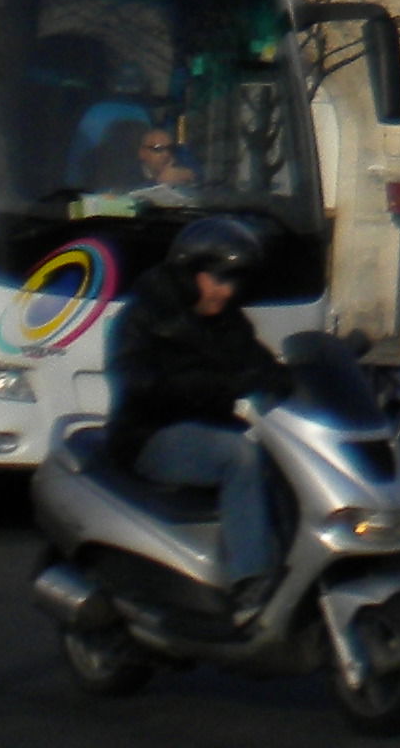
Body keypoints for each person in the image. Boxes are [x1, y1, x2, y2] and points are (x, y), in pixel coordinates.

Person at [104, 215, 293, 607]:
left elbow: (257, 365)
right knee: (240, 456)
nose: (226, 291)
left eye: (233, 282)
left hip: (210, 428)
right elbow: (135, 379)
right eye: (219, 279)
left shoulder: (229, 323)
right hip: (150, 435)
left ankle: (290, 565)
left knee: (285, 456)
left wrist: (300, 377)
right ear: (190, 272)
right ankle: (251, 580)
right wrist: (197, 388)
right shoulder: (144, 316)